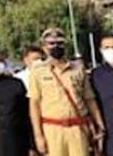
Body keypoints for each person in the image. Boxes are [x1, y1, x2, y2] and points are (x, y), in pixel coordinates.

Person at [27, 28, 105, 156]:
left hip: (78, 127)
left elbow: (89, 99)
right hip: (52, 129)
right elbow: (34, 104)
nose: (56, 46)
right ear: (44, 47)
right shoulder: (38, 71)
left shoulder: (78, 69)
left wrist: (100, 126)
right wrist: (38, 136)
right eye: (51, 43)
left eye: (59, 43)